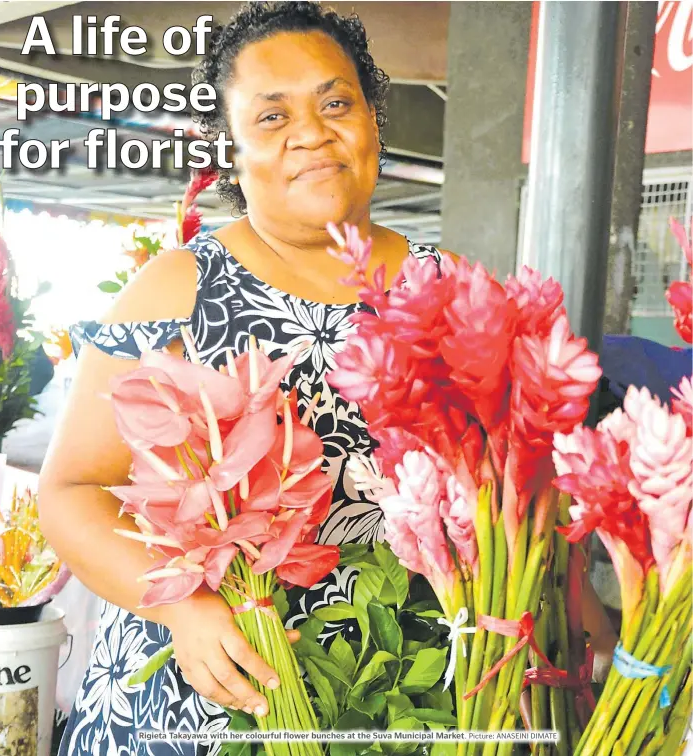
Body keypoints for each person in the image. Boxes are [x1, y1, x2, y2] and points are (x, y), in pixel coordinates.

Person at [39, 4, 616, 755]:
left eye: (336, 102)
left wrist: (591, 639)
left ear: (375, 118)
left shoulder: (452, 289)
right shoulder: (178, 289)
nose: (312, 133)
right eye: (271, 117)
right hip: (211, 698)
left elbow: (523, 486)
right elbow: (73, 490)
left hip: (411, 696)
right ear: (229, 149)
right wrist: (184, 610)